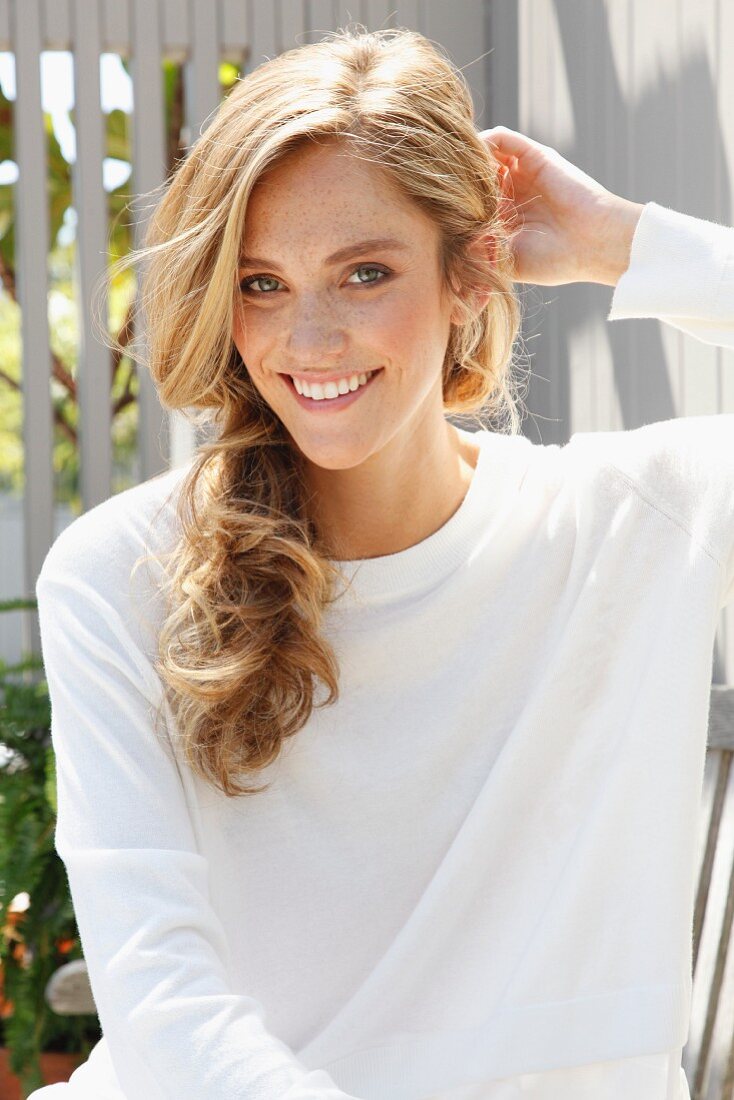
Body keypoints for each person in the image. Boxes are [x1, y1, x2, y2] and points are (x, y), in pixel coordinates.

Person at [29, 25, 733, 1100]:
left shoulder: (633, 522)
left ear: (471, 270)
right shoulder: (122, 572)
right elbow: (161, 1002)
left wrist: (621, 242)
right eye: (260, 283)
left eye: (364, 272)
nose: (307, 339)